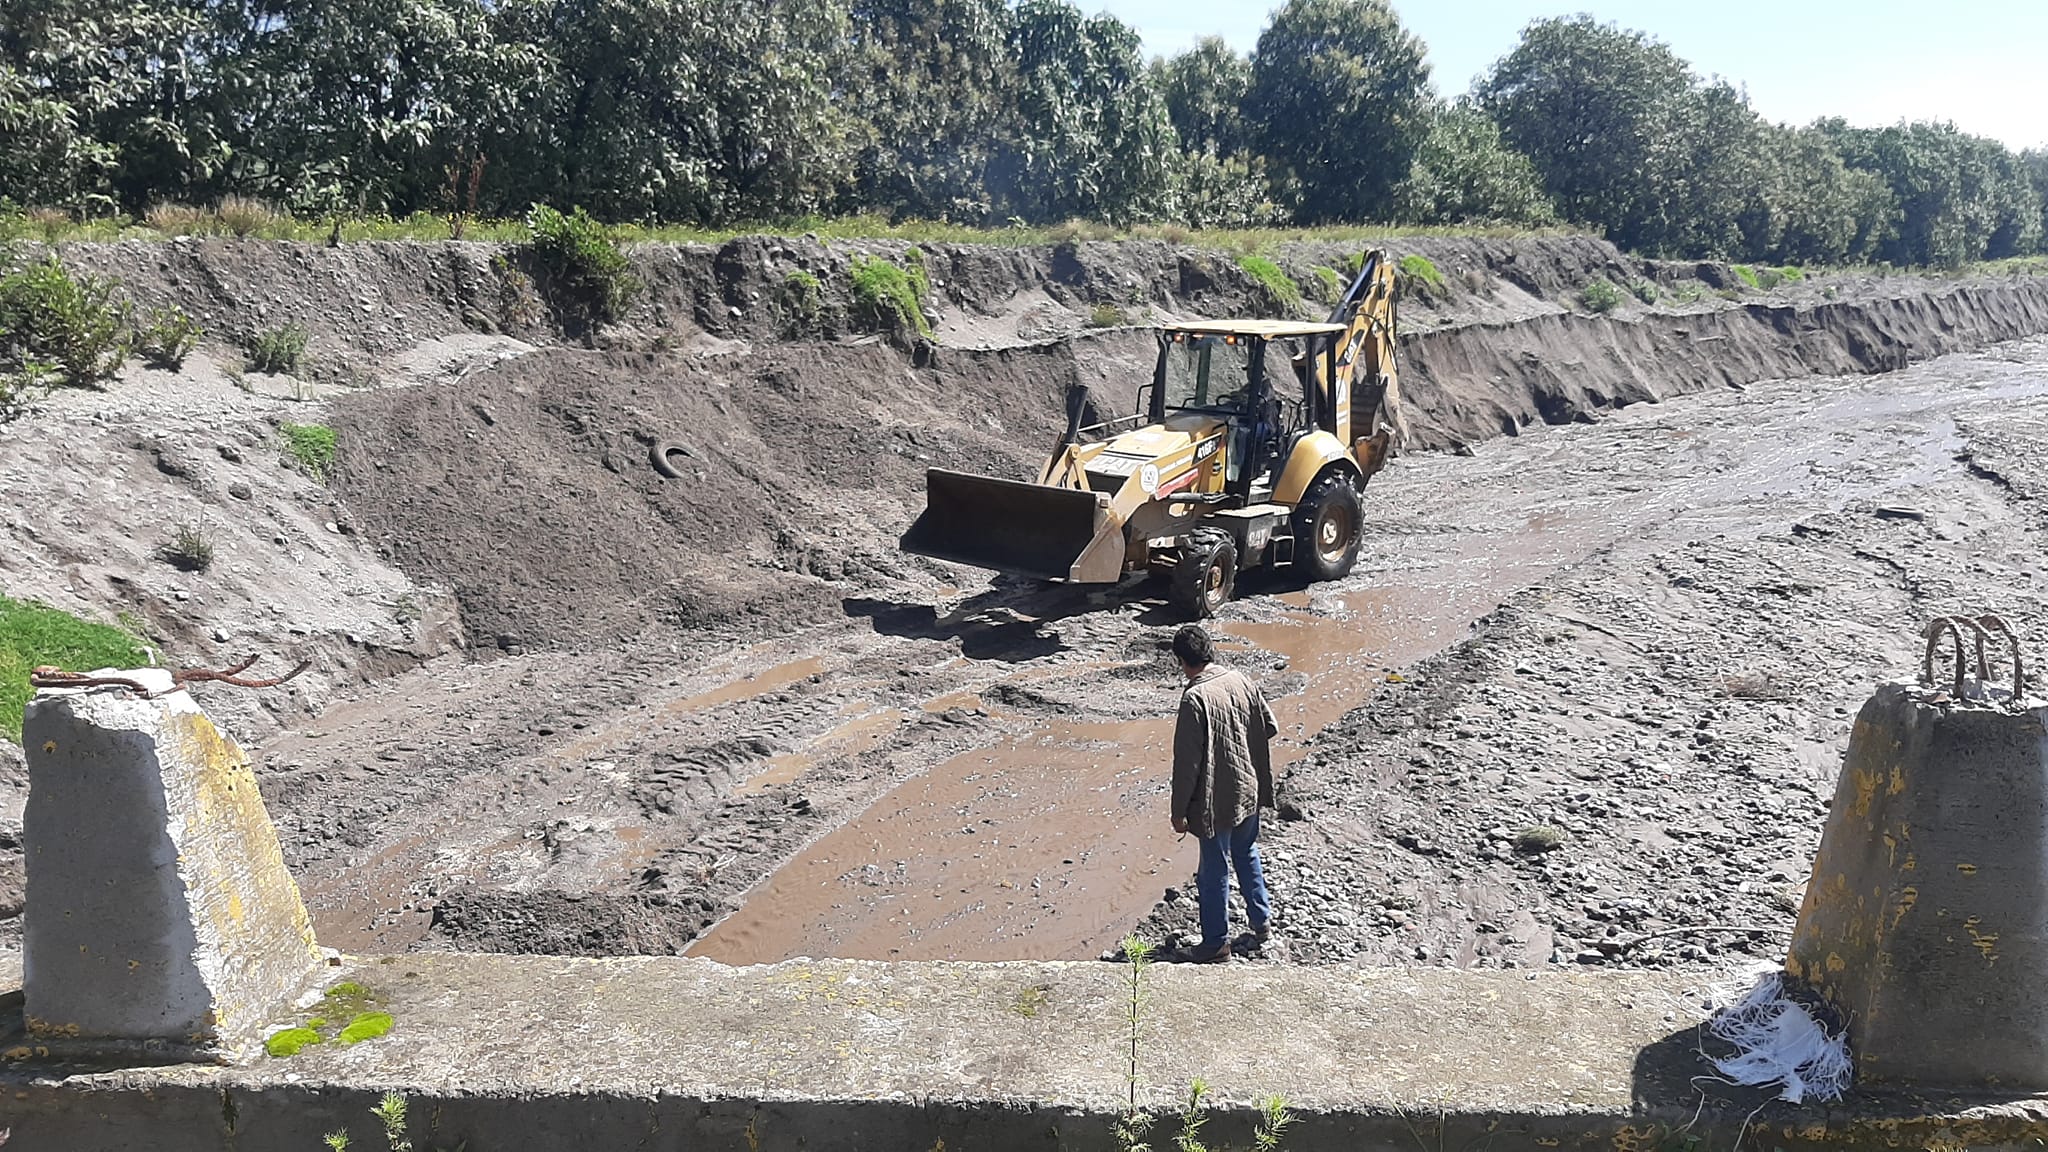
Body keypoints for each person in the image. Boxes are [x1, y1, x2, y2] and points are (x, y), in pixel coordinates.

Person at [1168, 623, 1278, 963]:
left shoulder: (1194, 697)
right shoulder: (1241, 679)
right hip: (1249, 788)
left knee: (1213, 869)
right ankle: (1262, 923)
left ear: (1182, 662)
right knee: (1246, 852)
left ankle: (1215, 944)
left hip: (1216, 801)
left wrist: (1178, 812)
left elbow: (1187, 765)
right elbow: (1270, 726)